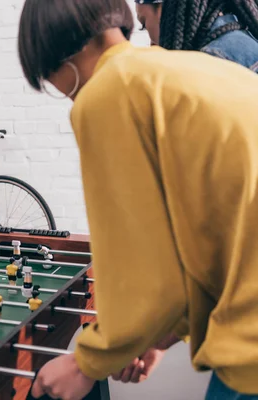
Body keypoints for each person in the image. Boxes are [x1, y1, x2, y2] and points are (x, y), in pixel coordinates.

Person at [17, 0, 258, 399]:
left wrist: (85, 363)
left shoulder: (108, 93)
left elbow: (145, 271)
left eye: (47, 80)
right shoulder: (184, 68)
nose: (63, 93)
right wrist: (160, 336)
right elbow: (212, 242)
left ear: (55, 54)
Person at [135, 0, 258, 72]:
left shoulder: (211, 61)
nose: (151, 43)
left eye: (144, 24)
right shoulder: (246, 39)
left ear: (164, 10)